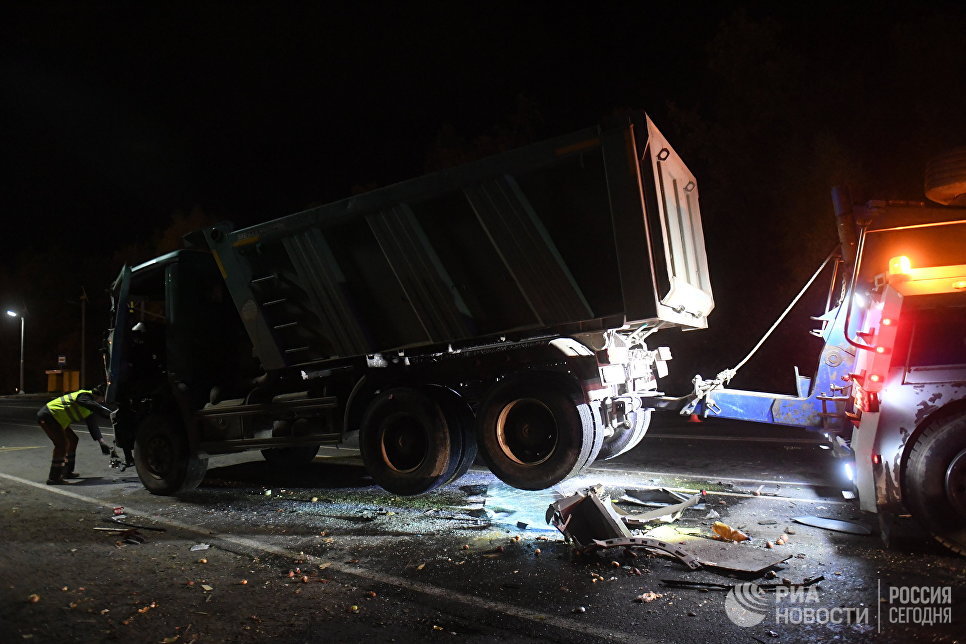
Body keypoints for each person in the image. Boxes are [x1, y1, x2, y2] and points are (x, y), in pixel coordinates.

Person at [36, 384, 115, 484]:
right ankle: (54, 478)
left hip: (57, 420)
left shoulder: (89, 405)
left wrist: (101, 442)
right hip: (48, 416)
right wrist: (109, 414)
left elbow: (93, 425)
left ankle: (67, 472)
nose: (102, 402)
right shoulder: (84, 396)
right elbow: (92, 405)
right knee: (62, 444)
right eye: (102, 399)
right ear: (98, 395)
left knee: (73, 439)